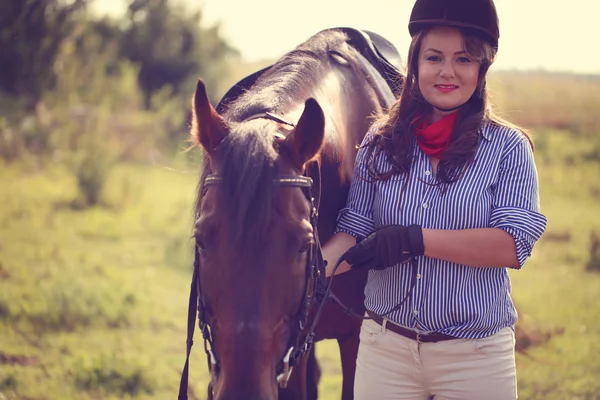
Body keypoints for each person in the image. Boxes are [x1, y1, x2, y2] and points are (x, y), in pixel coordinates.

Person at [321, 0, 548, 399]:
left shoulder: (509, 148)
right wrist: (304, 269)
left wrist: (417, 239)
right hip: (383, 350)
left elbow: (513, 244)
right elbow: (352, 231)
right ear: (415, 64)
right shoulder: (379, 142)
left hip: (474, 358)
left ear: (482, 67)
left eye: (463, 58)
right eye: (434, 57)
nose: (447, 71)